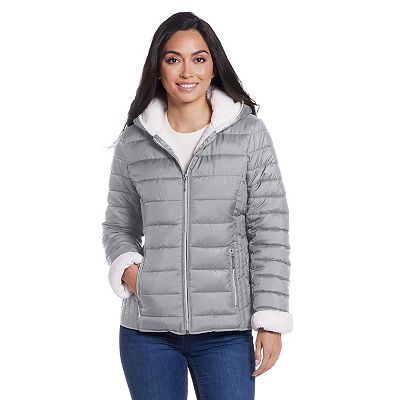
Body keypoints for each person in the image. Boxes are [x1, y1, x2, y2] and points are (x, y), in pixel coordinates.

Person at [102, 11, 293, 400]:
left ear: (213, 66)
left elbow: (269, 229)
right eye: (173, 59)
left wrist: (270, 319)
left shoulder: (248, 135)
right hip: (147, 332)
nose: (186, 71)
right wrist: (131, 272)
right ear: (158, 69)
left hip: (226, 332)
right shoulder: (135, 141)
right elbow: (119, 225)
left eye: (199, 58)